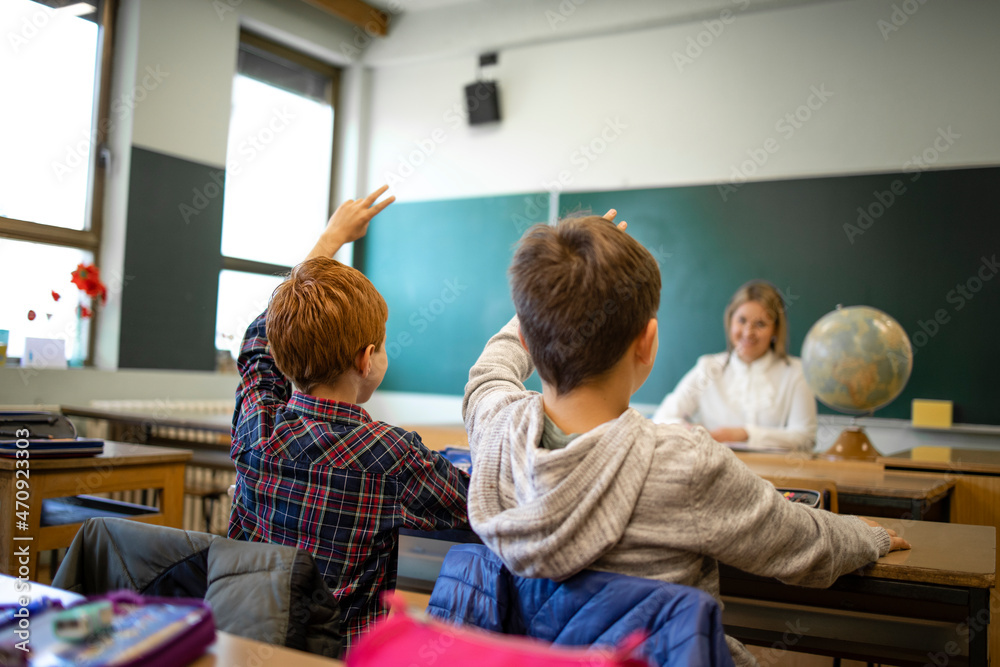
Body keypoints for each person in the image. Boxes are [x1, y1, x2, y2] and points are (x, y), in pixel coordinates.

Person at [462, 213, 909, 667]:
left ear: (526, 337)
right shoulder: (686, 464)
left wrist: (551, 289)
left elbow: (490, 370)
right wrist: (868, 537)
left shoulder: (494, 426)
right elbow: (805, 545)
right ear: (647, 343)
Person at [228, 186, 470, 652]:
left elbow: (259, 338)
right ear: (366, 359)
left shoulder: (257, 427)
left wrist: (331, 237)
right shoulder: (394, 455)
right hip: (339, 656)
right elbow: (480, 508)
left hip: (241, 644)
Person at [651, 280, 817, 453]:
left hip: (777, 475)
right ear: (730, 321)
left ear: (775, 330)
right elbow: (662, 417)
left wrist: (744, 434)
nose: (748, 332)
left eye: (760, 324)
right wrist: (694, 432)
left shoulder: (796, 373)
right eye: (742, 320)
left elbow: (804, 438)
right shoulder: (708, 368)